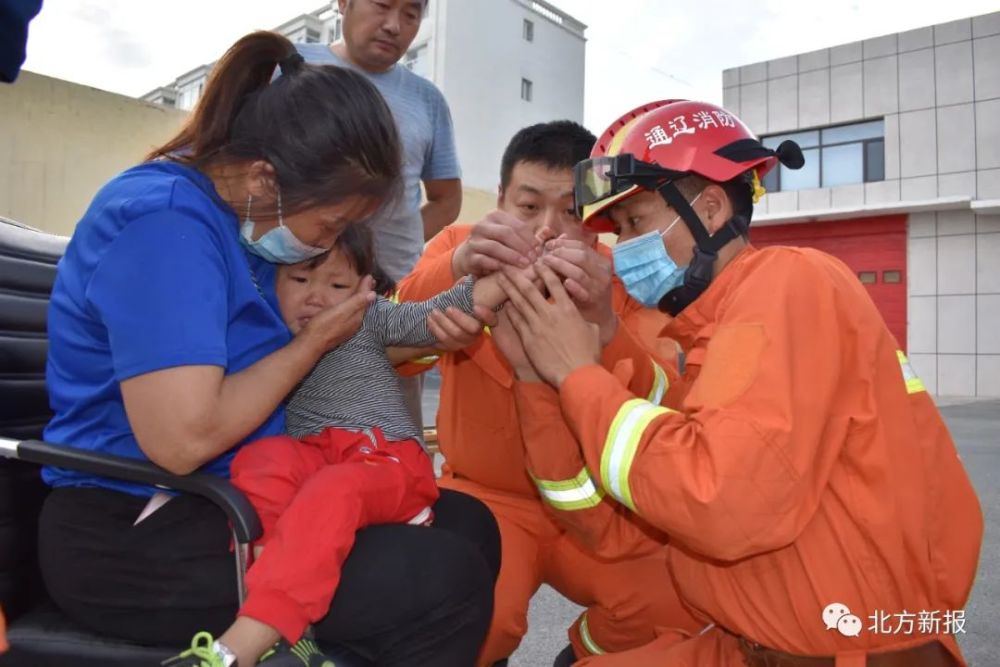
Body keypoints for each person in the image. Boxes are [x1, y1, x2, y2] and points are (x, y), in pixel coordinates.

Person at [37, 30, 499, 667]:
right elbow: (183, 440)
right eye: (329, 226)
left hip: (235, 496)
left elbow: (314, 351)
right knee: (442, 578)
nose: (322, 247)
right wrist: (311, 343)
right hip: (135, 530)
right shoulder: (165, 224)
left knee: (471, 527)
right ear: (264, 177)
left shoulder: (242, 221)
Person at [495, 99, 984, 666]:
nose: (622, 246)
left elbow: (718, 501)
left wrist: (576, 373)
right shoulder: (710, 337)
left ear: (706, 208)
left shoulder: (790, 282)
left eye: (635, 223)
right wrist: (539, 377)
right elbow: (619, 530)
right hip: (747, 644)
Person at [395, 120, 698, 666]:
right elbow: (386, 337)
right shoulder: (458, 250)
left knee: (672, 606)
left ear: (596, 218)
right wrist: (459, 274)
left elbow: (665, 398)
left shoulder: (624, 277)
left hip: (601, 514)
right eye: (528, 208)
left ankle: (581, 655)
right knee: (467, 618)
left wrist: (604, 326)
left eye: (570, 211)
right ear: (501, 200)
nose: (547, 231)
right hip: (485, 499)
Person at [190, 223, 520, 666]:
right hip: (315, 455)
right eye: (300, 280)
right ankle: (272, 599)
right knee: (262, 461)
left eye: (338, 284)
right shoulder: (268, 334)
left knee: (335, 490)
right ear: (271, 281)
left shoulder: (368, 318)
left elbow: (437, 312)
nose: (317, 297)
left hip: (385, 459)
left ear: (364, 289)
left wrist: (507, 278)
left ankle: (248, 640)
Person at [298, 0, 463, 429]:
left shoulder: (427, 100)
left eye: (411, 14)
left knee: (394, 439)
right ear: (344, 4)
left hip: (389, 299)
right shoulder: (292, 67)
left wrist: (390, 251)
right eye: (382, 5)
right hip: (295, 287)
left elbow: (447, 199)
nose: (394, 25)